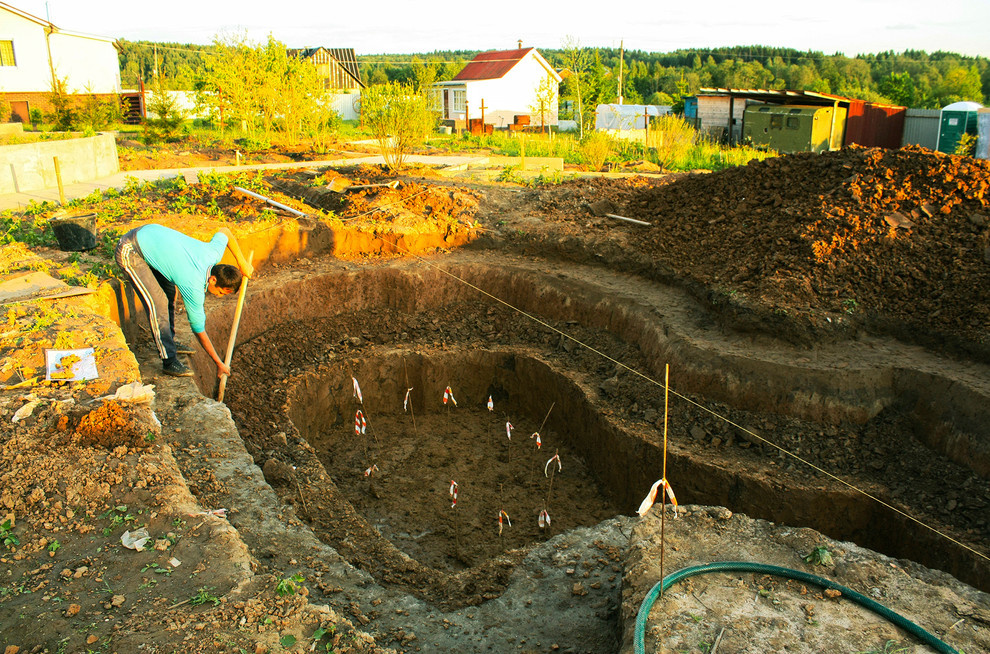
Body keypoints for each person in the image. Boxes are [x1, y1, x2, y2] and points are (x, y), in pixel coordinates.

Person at [115, 224, 254, 378]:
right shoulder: (193, 284)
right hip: (131, 249)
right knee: (158, 303)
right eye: (221, 292)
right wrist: (219, 363)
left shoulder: (213, 254)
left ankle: (170, 341)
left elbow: (225, 232)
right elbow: (198, 330)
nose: (219, 296)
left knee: (169, 292)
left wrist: (242, 263)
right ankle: (169, 360)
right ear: (213, 280)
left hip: (151, 239)